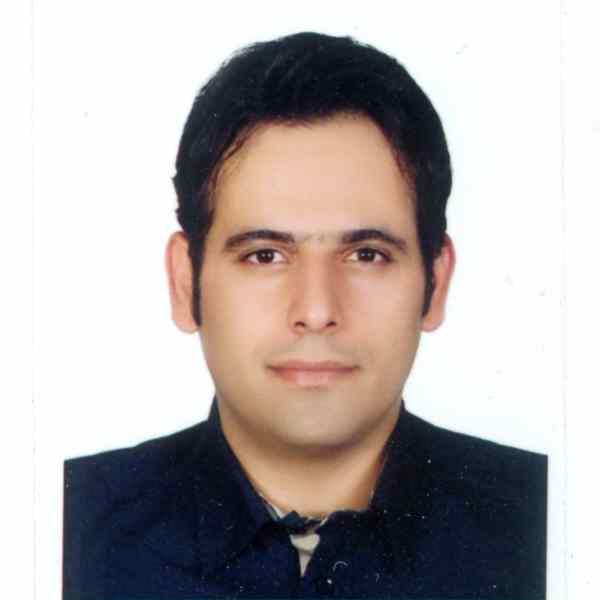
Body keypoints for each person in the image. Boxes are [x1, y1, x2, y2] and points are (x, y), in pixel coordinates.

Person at [63, 31, 547, 600]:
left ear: (435, 282)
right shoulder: (57, 526)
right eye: (265, 255)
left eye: (366, 255)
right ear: (185, 282)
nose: (317, 311)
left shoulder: (554, 520)